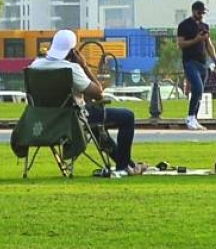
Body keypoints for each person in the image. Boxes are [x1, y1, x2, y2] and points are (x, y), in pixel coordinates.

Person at [28, 30, 146, 175]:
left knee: (96, 125)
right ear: (72, 51)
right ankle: (123, 168)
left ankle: (128, 165)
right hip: (72, 121)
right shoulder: (72, 69)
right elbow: (98, 93)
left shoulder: (35, 65)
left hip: (43, 121)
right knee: (127, 116)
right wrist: (84, 66)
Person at [177, 0, 216, 130]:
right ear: (193, 11)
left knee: (200, 92)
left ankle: (194, 118)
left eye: (203, 13)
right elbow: (180, 44)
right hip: (190, 62)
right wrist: (196, 40)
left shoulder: (204, 26)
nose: (201, 15)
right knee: (197, 87)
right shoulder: (184, 25)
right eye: (199, 12)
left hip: (203, 62)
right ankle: (190, 116)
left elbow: (209, 45)